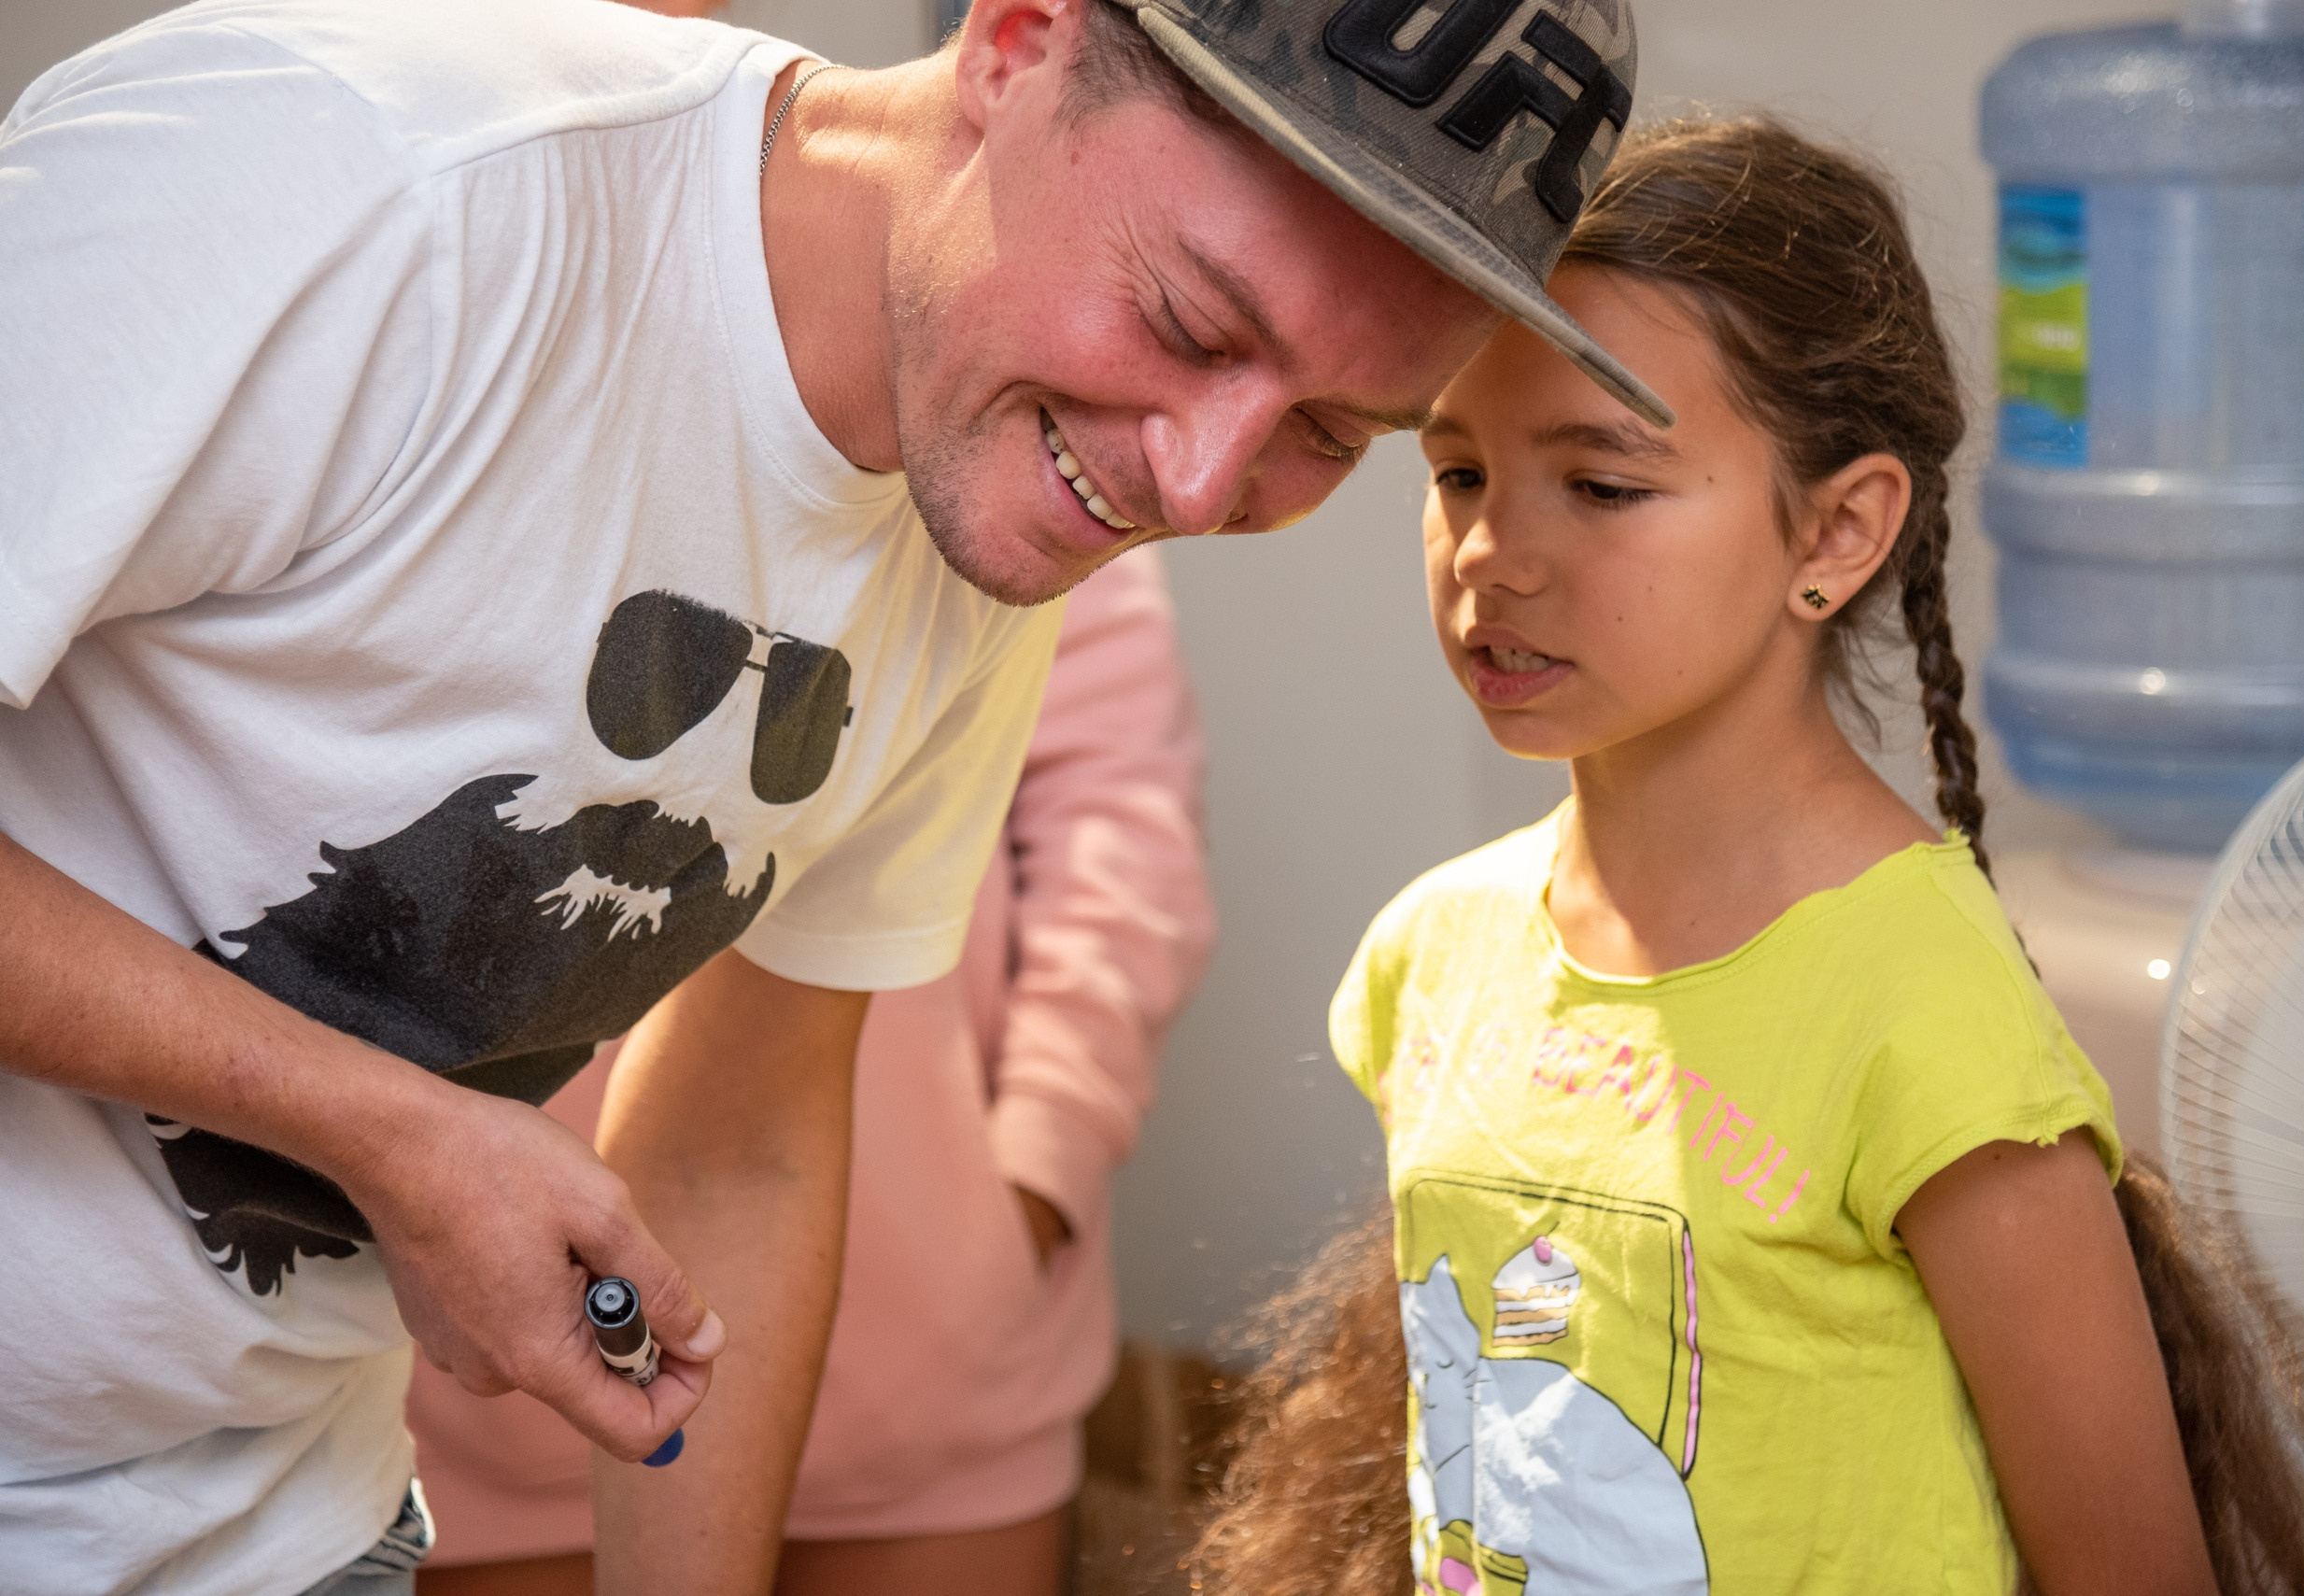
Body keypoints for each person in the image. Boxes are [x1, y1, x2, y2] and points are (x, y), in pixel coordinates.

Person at [0, 0, 1661, 1585]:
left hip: (283, 1518)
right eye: (1190, 322)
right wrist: (388, 1128)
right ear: (1018, 44)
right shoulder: (354, 178)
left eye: (1327, 430)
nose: (1195, 480)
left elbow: (742, 1137)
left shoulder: (1001, 493)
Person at [1187, 120, 2304, 1596]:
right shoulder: (1431, 955)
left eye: (1601, 486)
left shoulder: (1921, 1006)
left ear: (1838, 530)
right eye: (1458, 473)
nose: (1490, 555)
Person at [404, 546, 1211, 1595]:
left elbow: (1117, 827)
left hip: (934, 1372)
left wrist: (1035, 1176)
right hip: (504, 1369)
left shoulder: (1046, 463)